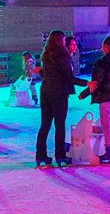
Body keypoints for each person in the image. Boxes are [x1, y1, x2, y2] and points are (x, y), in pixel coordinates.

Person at [35, 30, 92, 167]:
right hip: (58, 93)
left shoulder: (47, 55)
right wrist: (87, 83)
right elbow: (69, 78)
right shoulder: (62, 56)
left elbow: (49, 74)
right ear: (61, 40)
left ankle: (40, 155)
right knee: (59, 125)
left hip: (46, 91)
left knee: (45, 125)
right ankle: (60, 156)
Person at [79, 35, 110, 163]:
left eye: (103, 47)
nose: (102, 49)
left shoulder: (102, 63)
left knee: (108, 124)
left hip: (107, 96)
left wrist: (84, 94)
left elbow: (97, 82)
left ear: (107, 47)